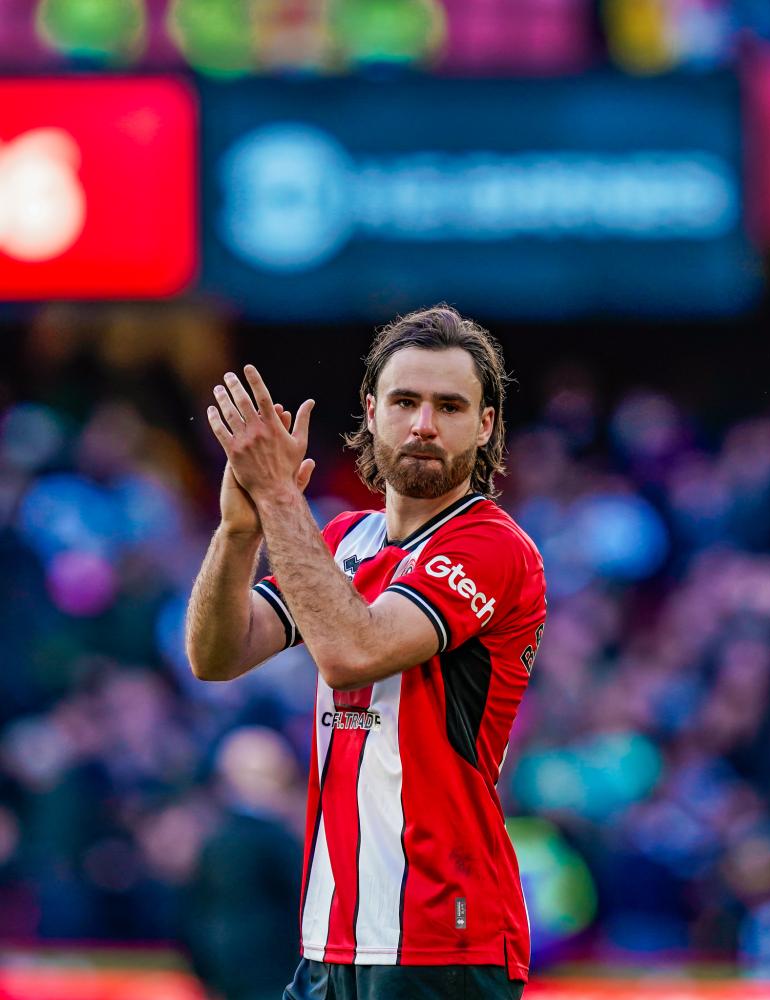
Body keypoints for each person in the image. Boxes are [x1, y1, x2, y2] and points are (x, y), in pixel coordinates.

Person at [185, 305, 547, 1000]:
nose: (423, 425)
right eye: (405, 401)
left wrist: (279, 498)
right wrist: (238, 530)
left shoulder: (493, 546)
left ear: (486, 425)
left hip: (443, 936)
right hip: (332, 935)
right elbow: (216, 656)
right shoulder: (347, 539)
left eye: (449, 406)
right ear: (372, 412)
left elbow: (353, 650)